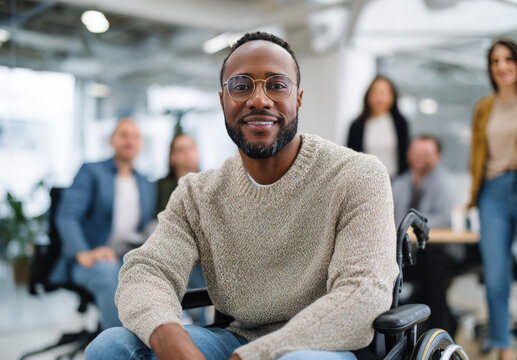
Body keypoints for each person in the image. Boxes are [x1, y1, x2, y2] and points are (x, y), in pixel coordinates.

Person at [86, 32, 398, 360]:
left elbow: (363, 292)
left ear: (299, 99)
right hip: (235, 339)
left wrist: (254, 356)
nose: (259, 99)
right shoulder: (198, 193)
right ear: (223, 101)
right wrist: (168, 338)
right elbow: (147, 271)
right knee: (111, 347)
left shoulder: (357, 174)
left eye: (277, 85)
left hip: (320, 346)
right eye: (241, 86)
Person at [469, 38, 517, 360]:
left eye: (507, 59)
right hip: (493, 194)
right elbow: (477, 154)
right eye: (495, 61)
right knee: (497, 277)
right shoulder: (484, 106)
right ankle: (503, 346)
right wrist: (473, 195)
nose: (501, 67)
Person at [50, 119, 156, 330]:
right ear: (111, 141)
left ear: (141, 144)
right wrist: (83, 252)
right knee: (109, 274)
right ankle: (118, 347)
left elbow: (144, 225)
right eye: (123, 135)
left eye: (135, 137)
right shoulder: (92, 172)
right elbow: (67, 215)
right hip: (91, 259)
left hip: (128, 258)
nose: (130, 141)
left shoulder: (145, 182)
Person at [392, 135, 459, 336]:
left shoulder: (445, 183)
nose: (419, 157)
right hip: (408, 253)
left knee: (432, 261)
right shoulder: (400, 183)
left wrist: (409, 223)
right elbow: (390, 216)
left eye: (426, 154)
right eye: (416, 153)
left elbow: (444, 219)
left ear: (437, 157)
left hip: (440, 252)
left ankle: (437, 331)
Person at [155, 132, 207, 325]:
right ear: (172, 157)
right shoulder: (160, 187)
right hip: (172, 250)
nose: (187, 154)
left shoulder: (210, 184)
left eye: (191, 148)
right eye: (180, 149)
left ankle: (198, 324)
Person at [347, 76, 409, 178]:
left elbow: (405, 155)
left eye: (384, 93)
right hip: (364, 181)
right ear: (368, 96)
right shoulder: (357, 125)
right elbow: (350, 157)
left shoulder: (400, 123)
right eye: (375, 93)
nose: (379, 98)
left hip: (395, 181)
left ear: (392, 97)